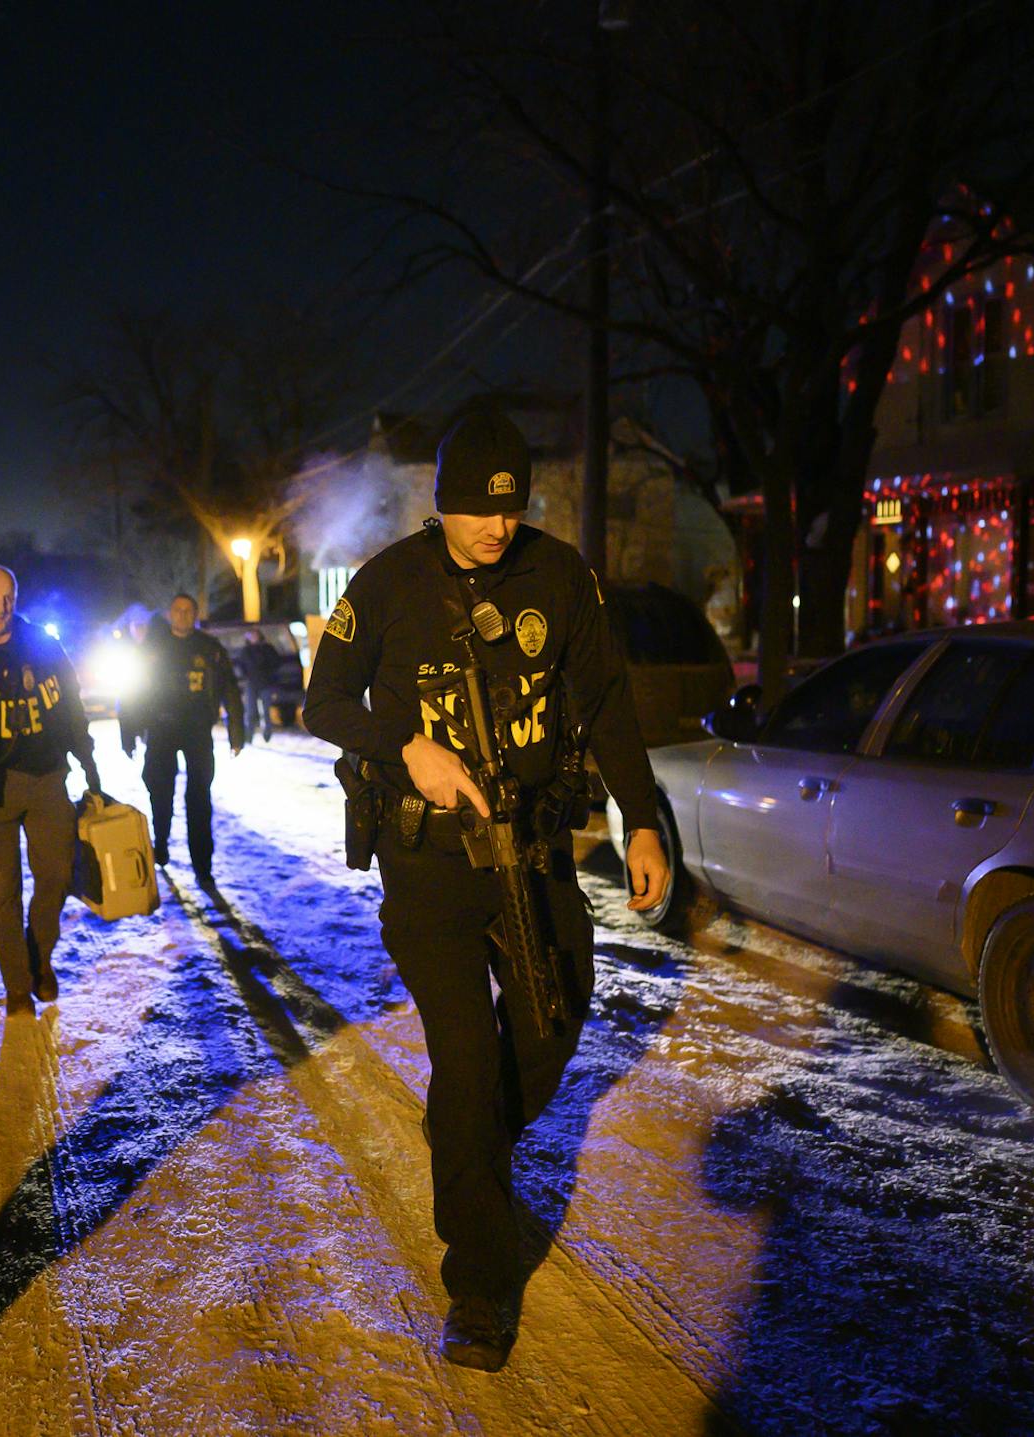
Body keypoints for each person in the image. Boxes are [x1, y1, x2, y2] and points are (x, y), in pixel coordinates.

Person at [302, 405, 670, 1373]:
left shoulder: (559, 577)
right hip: (428, 863)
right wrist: (407, 747)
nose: (498, 528)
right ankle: (479, 1285)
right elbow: (322, 702)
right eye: (479, 510)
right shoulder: (389, 583)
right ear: (444, 503)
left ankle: (466, 1136)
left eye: (512, 509)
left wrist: (641, 817)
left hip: (534, 848)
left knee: (556, 1017)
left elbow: (606, 701)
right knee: (467, 1057)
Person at [0, 564, 101, 1016]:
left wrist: (86, 758)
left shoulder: (41, 644)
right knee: (3, 892)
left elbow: (70, 703)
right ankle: (17, 984)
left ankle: (40, 957)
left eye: (8, 597)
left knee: (55, 876)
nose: (2, 607)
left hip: (47, 777)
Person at [118, 593, 244, 886]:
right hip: (160, 728)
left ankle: (202, 866)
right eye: (178, 610)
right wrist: (128, 731)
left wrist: (236, 731)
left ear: (196, 614)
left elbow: (230, 689)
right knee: (160, 792)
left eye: (188, 611)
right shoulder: (152, 647)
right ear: (169, 614)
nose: (183, 615)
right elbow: (130, 690)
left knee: (199, 798)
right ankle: (160, 843)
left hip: (198, 730)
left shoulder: (209, 649)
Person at [233, 630, 279, 742]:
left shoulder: (267, 648)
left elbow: (275, 663)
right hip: (251, 684)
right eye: (252, 636)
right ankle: (249, 736)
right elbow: (241, 665)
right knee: (250, 711)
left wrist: (269, 675)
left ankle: (267, 733)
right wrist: (245, 677)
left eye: (255, 635)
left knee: (266, 711)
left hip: (265, 683)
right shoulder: (246, 650)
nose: (254, 638)